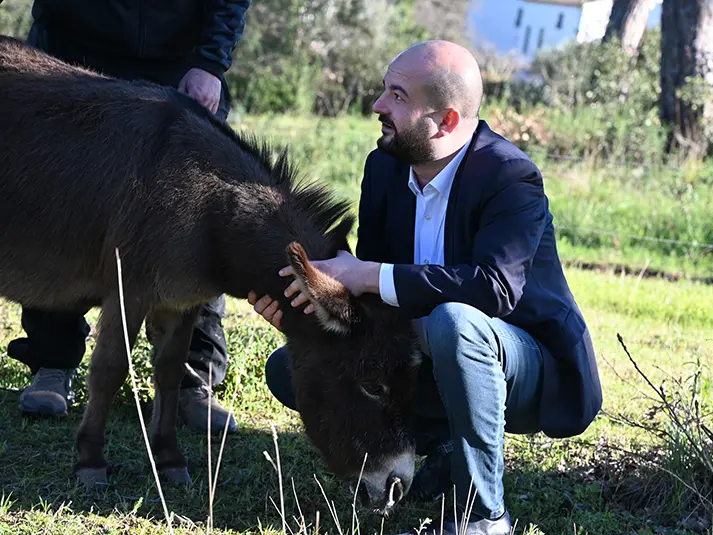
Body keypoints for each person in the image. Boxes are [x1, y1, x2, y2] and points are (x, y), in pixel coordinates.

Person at [248, 40, 603, 534]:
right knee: (291, 369)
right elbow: (372, 309)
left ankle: (483, 518)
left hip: (526, 366)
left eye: (396, 95)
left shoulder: (510, 176)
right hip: (425, 358)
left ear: (446, 121)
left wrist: (369, 273)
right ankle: (435, 455)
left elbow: (495, 289)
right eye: (383, 91)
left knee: (454, 322)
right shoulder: (385, 167)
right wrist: (305, 309)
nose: (378, 106)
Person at [7, 0, 251, 435]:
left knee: (196, 222)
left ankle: (191, 379)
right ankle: (52, 359)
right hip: (67, 54)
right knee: (60, 212)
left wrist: (211, 61)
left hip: (180, 66)